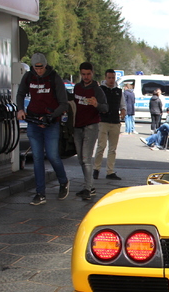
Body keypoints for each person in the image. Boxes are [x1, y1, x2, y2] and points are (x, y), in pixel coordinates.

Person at [16, 52, 70, 206]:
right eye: (36, 68)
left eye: (41, 68)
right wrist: (20, 109)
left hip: (50, 122)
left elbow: (64, 103)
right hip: (33, 121)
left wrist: (52, 116)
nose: (39, 71)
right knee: (38, 158)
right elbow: (20, 93)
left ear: (45, 66)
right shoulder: (28, 77)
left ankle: (63, 181)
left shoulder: (54, 77)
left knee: (52, 156)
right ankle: (40, 193)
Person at [73, 62, 108, 200]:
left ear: (92, 73)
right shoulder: (77, 87)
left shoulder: (97, 90)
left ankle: (89, 188)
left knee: (86, 158)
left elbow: (105, 108)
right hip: (77, 126)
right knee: (81, 158)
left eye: (88, 74)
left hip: (91, 126)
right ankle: (88, 185)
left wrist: (96, 104)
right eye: (83, 74)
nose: (86, 77)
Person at [94, 69, 126, 181]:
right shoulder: (100, 90)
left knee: (113, 149)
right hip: (103, 121)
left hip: (115, 121)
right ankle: (96, 169)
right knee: (101, 146)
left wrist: (123, 111)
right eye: (109, 78)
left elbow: (123, 104)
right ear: (105, 78)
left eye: (113, 78)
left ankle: (110, 171)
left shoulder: (119, 91)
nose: (111, 80)